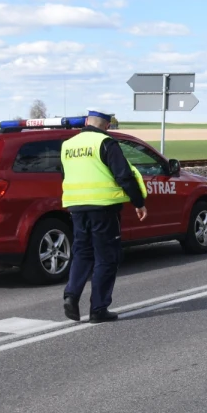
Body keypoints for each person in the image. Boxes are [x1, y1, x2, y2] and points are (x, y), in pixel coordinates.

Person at [60, 109, 147, 323]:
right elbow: (124, 175)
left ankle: (71, 294)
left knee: (82, 252)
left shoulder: (67, 145)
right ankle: (98, 309)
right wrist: (138, 202)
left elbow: (65, 174)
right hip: (104, 208)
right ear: (107, 126)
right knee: (106, 258)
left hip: (76, 207)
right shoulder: (106, 143)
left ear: (87, 121)